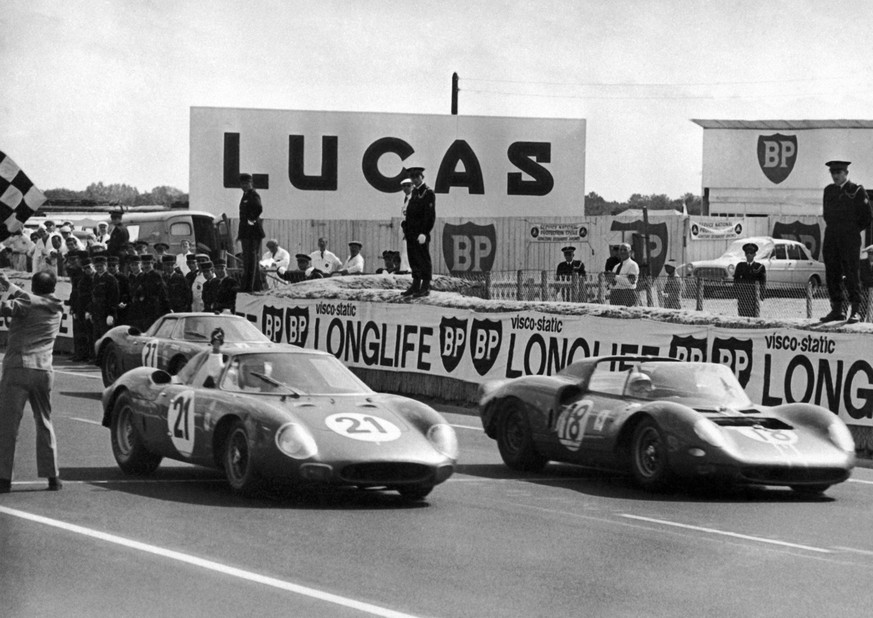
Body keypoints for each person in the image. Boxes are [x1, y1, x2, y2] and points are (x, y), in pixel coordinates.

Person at [0, 270, 65, 493]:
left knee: (8, 425)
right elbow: (31, 299)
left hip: (18, 365)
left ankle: (4, 476)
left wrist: (4, 291)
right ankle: (53, 475)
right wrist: (8, 285)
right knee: (44, 421)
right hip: (44, 368)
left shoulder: (26, 301)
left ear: (33, 286)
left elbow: (7, 307)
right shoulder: (56, 305)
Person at [820, 160, 872, 323]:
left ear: (846, 173)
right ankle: (837, 309)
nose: (835, 176)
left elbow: (866, 217)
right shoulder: (829, 191)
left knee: (851, 272)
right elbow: (826, 214)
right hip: (832, 235)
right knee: (832, 272)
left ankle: (855, 310)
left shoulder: (856, 190)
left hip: (849, 237)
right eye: (833, 173)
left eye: (839, 173)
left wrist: (851, 230)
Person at [400, 166, 436, 297]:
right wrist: (406, 226)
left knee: (423, 259)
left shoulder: (428, 193)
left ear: (422, 177)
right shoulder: (414, 193)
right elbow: (410, 213)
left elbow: (430, 215)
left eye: (417, 177)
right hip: (411, 232)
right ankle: (416, 284)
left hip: (421, 233)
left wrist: (424, 232)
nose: (415, 180)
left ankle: (425, 286)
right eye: (413, 177)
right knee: (413, 259)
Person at [237, 172, 265, 293]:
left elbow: (259, 208)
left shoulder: (253, 195)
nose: (244, 185)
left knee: (251, 260)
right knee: (249, 259)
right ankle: (256, 286)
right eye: (242, 183)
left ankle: (249, 287)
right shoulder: (245, 195)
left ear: (251, 183)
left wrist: (252, 220)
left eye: (246, 183)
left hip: (253, 232)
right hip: (246, 233)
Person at [88, 255, 119, 342]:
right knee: (96, 338)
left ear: (105, 265)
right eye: (97, 266)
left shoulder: (111, 279)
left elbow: (114, 297)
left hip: (105, 313)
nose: (99, 268)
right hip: (96, 312)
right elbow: (92, 296)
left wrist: (111, 314)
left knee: (105, 338)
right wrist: (90, 311)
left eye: (101, 266)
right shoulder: (95, 278)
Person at [733, 243, 766, 317]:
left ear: (755, 254)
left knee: (754, 316)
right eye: (747, 253)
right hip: (743, 296)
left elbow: (763, 283)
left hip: (754, 296)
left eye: (751, 253)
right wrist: (735, 296)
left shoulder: (760, 267)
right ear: (745, 254)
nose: (749, 255)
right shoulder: (740, 266)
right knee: (742, 316)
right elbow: (736, 282)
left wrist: (761, 298)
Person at [107, 256, 131, 326]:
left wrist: (123, 302)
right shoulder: (106, 278)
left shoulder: (123, 278)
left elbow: (127, 293)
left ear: (118, 266)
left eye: (113, 265)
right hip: (108, 308)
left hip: (120, 308)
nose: (111, 267)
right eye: (109, 266)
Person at [398, 176, 414, 272]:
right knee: (404, 247)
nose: (406, 188)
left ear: (412, 186)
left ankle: (408, 268)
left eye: (408, 186)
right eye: (404, 186)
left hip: (409, 225)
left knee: (408, 247)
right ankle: (404, 267)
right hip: (404, 225)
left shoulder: (412, 198)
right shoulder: (407, 198)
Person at [860, 245, 873, 321]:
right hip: (865, 287)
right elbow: (860, 274)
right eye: (870, 253)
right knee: (863, 304)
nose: (871, 255)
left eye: (872, 254)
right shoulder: (862, 263)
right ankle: (861, 318)